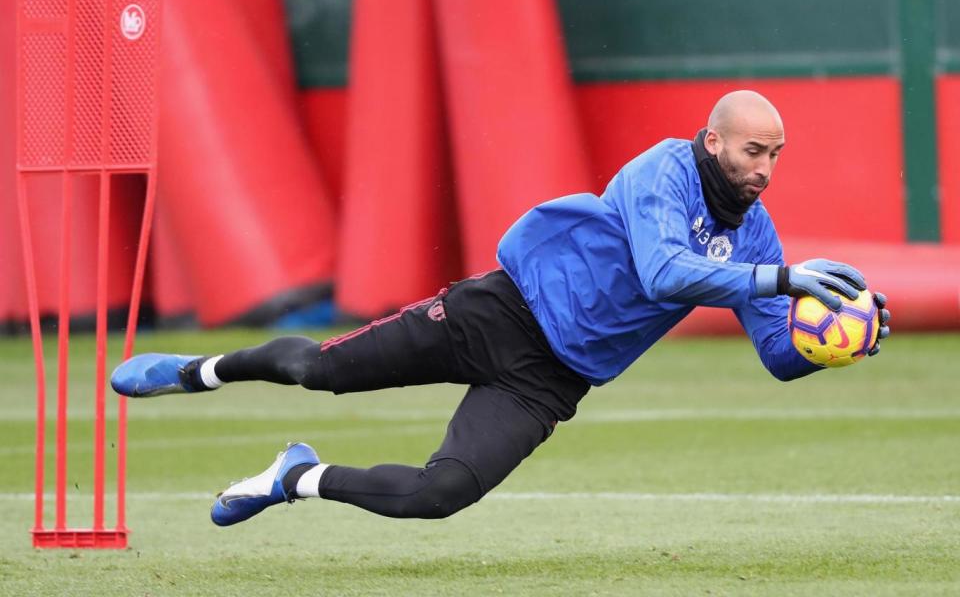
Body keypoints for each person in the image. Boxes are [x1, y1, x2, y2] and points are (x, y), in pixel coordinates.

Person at [112, 90, 890, 527]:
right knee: (319, 370)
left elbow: (777, 357)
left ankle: (295, 479)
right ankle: (196, 371)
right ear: (711, 141)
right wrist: (780, 279)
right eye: (753, 151)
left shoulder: (756, 234)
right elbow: (662, 273)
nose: (765, 169)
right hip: (499, 313)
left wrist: (844, 341)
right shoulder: (663, 170)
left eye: (776, 156)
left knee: (438, 495)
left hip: (549, 382)